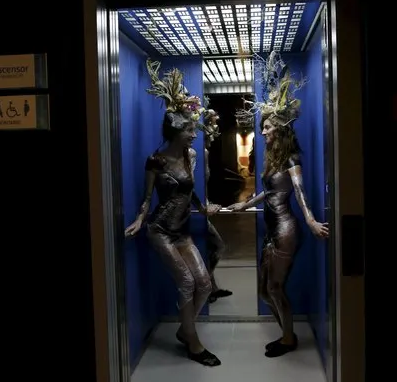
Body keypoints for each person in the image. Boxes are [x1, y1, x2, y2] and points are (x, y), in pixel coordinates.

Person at [228, 51, 329, 358]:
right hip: (272, 230)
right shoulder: (273, 160)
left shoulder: (291, 159)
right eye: (263, 127)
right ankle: (286, 334)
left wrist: (311, 219)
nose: (263, 132)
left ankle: (288, 338)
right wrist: (246, 206)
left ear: (281, 130)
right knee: (263, 290)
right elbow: (270, 193)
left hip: (286, 229)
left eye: (268, 128)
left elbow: (299, 192)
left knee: (274, 289)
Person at [125, 60, 222, 367]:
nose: (195, 134)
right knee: (187, 283)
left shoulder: (189, 154)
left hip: (181, 230)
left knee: (204, 284)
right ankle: (193, 342)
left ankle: (184, 329)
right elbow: (147, 198)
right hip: (161, 230)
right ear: (177, 129)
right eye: (191, 129)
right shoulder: (155, 161)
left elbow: (188, 190)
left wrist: (202, 207)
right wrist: (141, 218)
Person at [201, 108, 232, 303]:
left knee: (214, 246)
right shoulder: (201, 152)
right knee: (218, 246)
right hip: (197, 209)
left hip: (203, 205)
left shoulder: (205, 152)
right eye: (212, 125)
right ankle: (207, 285)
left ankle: (212, 287)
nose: (215, 130)